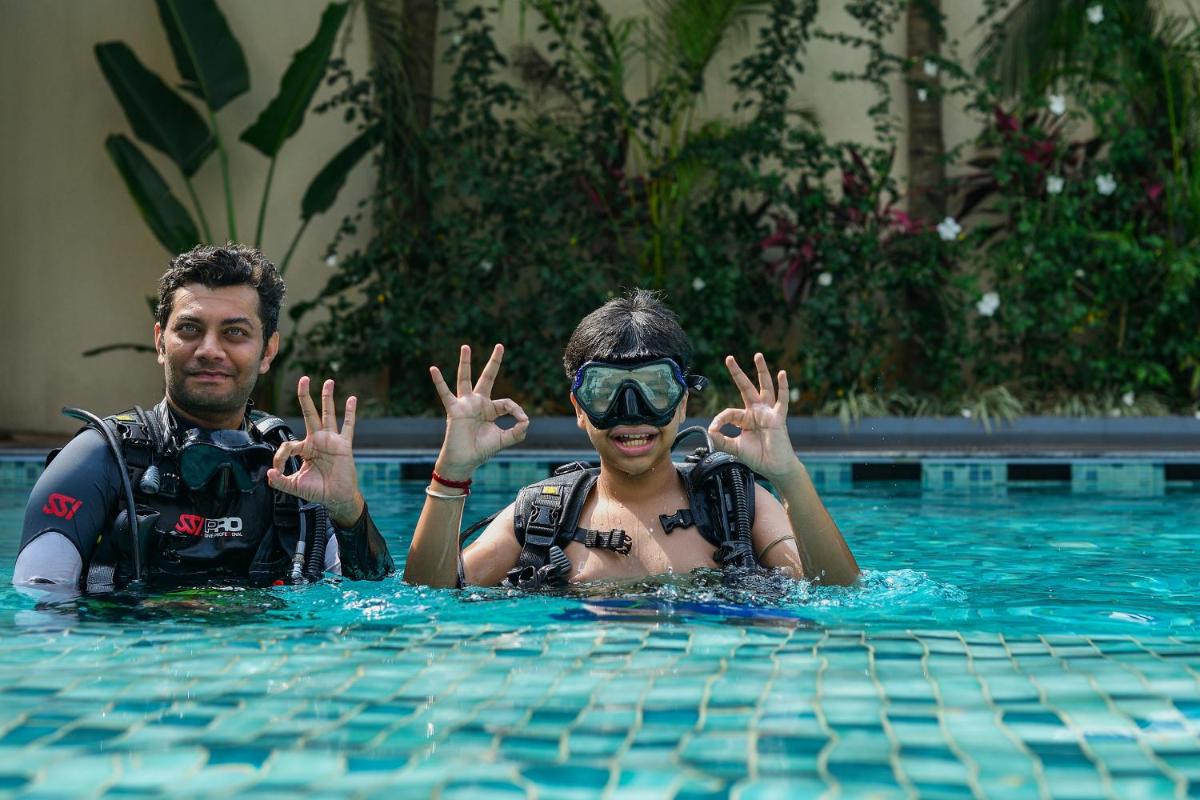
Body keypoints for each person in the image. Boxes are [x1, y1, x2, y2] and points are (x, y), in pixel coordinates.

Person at [404, 289, 858, 590]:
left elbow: (835, 592)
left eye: (654, 388)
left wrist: (790, 477)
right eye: (605, 391)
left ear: (681, 403)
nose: (631, 412)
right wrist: (453, 474)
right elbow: (430, 597)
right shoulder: (543, 515)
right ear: (579, 408)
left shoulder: (736, 503)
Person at [13, 244, 393, 594]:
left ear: (267, 350)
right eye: (190, 329)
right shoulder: (98, 460)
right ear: (161, 341)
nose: (210, 350)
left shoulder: (292, 466)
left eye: (235, 333)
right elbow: (40, 614)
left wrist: (347, 510)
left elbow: (374, 601)